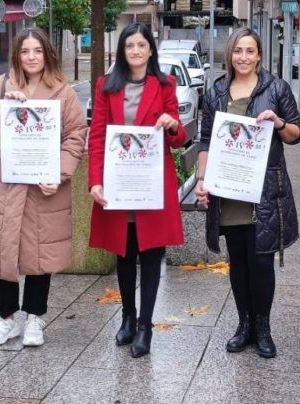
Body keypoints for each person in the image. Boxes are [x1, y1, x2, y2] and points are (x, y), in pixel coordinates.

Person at [0, 28, 86, 347]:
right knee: (0, 250)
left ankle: (35, 318)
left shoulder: (63, 91)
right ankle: (5, 317)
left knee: (40, 252)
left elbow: (76, 135)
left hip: (43, 186)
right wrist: (2, 105)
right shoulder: (1, 85)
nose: (31, 57)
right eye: (25, 52)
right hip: (4, 182)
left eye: (37, 51)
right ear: (17, 56)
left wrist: (61, 173)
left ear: (47, 53)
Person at [194, 27, 300, 358]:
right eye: (238, 51)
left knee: (261, 262)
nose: (243, 57)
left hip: (264, 192)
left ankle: (263, 327)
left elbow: (297, 134)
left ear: (259, 55)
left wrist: (279, 123)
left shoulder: (276, 89)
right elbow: (207, 141)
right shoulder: (216, 92)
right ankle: (244, 325)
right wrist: (201, 179)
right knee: (238, 262)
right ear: (230, 55)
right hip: (229, 191)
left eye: (250, 51)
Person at [88, 22, 187, 358]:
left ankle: (145, 325)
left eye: (141, 45)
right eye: (129, 46)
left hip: (151, 184)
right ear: (122, 50)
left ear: (150, 50)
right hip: (118, 183)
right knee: (124, 253)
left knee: (151, 253)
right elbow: (98, 136)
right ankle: (127, 317)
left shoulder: (165, 84)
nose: (135, 51)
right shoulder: (107, 86)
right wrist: (95, 181)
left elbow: (179, 136)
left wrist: (172, 124)